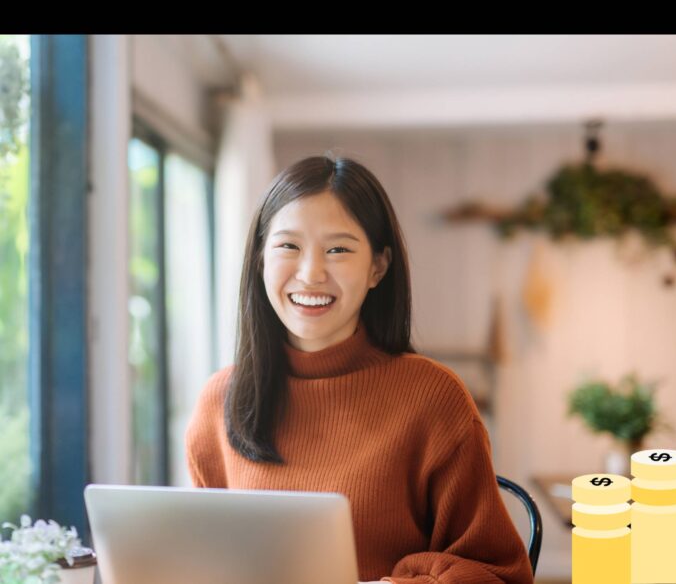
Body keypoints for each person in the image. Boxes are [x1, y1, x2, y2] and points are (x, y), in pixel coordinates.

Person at [185, 154, 535, 584]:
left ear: (377, 267)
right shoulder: (219, 402)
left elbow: (501, 575)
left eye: (338, 249)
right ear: (260, 259)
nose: (311, 273)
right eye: (288, 246)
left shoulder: (432, 397)